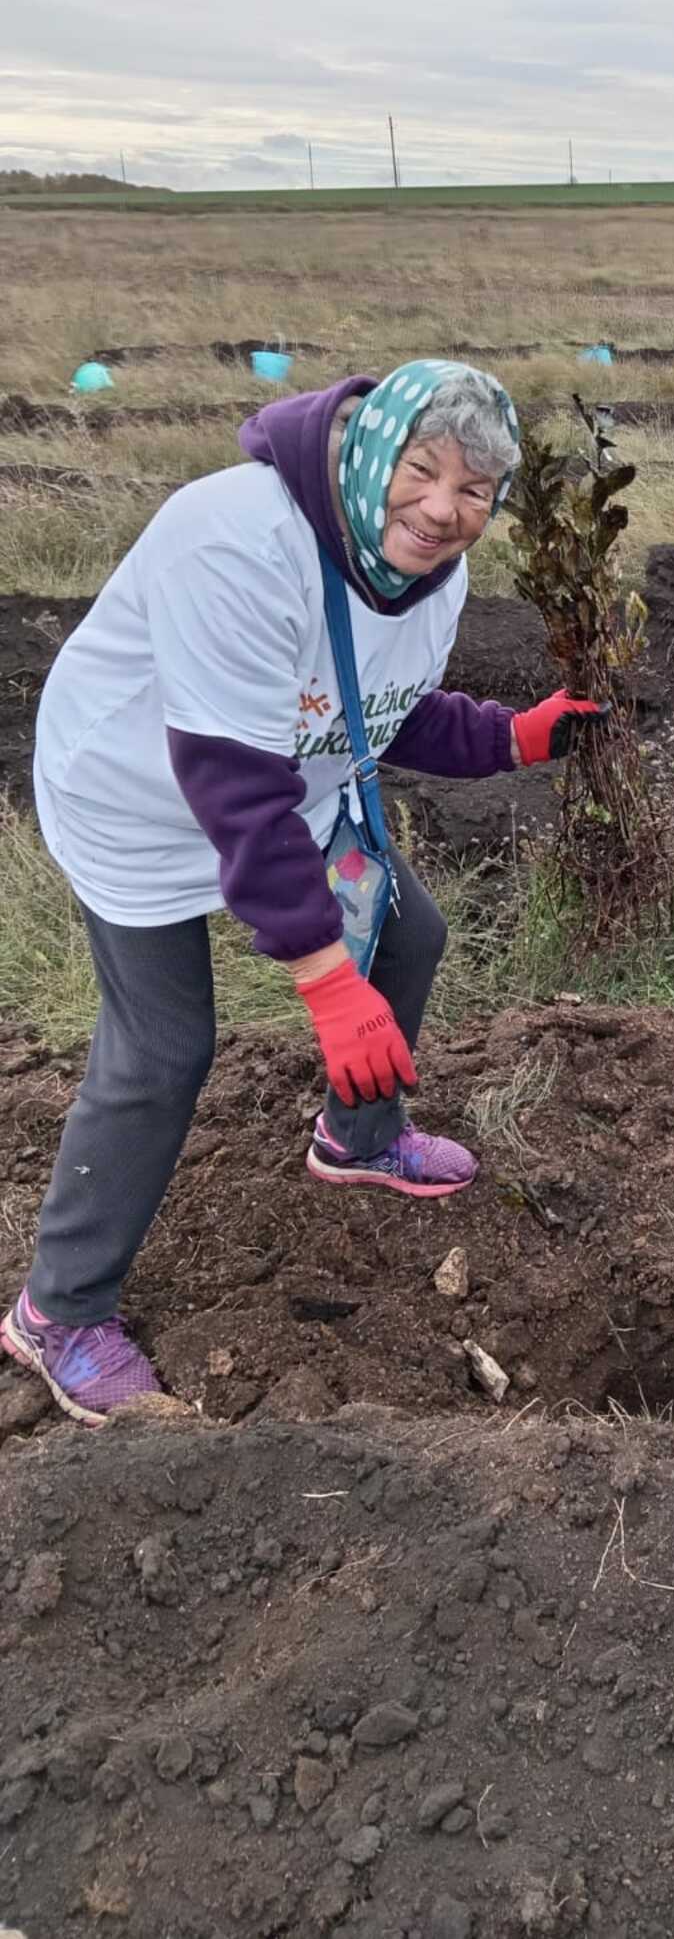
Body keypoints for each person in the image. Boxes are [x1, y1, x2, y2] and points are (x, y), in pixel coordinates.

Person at [6, 361, 607, 1426]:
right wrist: (326, 983)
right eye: (422, 472)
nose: (442, 509)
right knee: (162, 1049)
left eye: (473, 490)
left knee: (407, 935)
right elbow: (237, 792)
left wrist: (514, 736)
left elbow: (377, 707)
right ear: (372, 455)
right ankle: (59, 1310)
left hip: (284, 780)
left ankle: (359, 1139)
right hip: (137, 795)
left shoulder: (428, 569)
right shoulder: (235, 542)